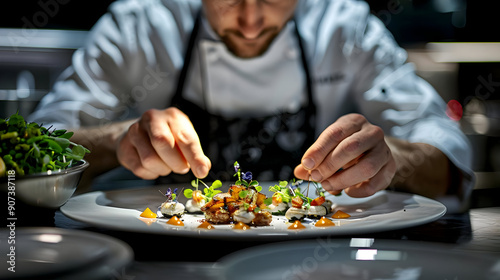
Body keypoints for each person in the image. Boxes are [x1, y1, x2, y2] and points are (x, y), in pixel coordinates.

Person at [29, 0, 474, 212]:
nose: (249, 21)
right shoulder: (141, 24)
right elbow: (28, 159)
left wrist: (394, 159)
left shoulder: (344, 26)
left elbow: (449, 151)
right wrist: (115, 140)